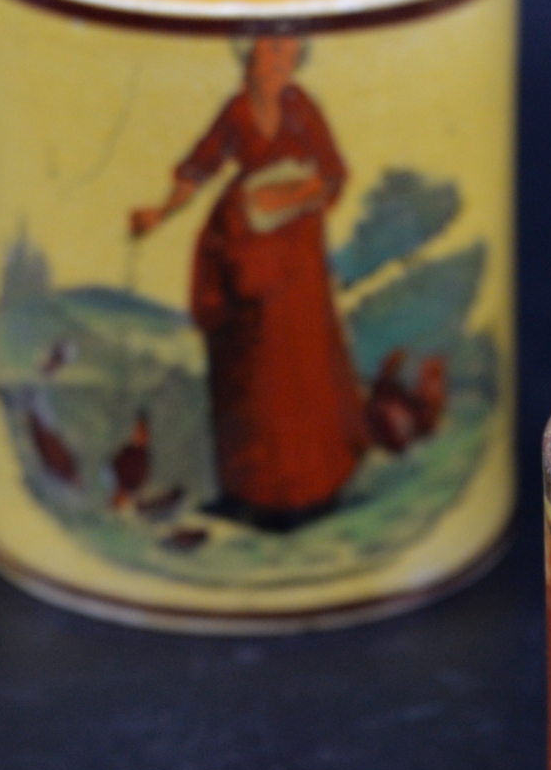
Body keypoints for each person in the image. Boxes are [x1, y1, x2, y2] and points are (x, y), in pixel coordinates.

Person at [129, 34, 370, 526]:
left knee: (298, 368)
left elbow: (331, 175)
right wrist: (160, 213)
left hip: (293, 262)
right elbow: (198, 168)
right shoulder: (237, 110)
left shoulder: (301, 109)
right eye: (272, 50)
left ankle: (314, 491)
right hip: (241, 253)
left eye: (289, 52)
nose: (282, 59)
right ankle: (247, 493)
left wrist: (287, 198)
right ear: (250, 54)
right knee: (243, 371)